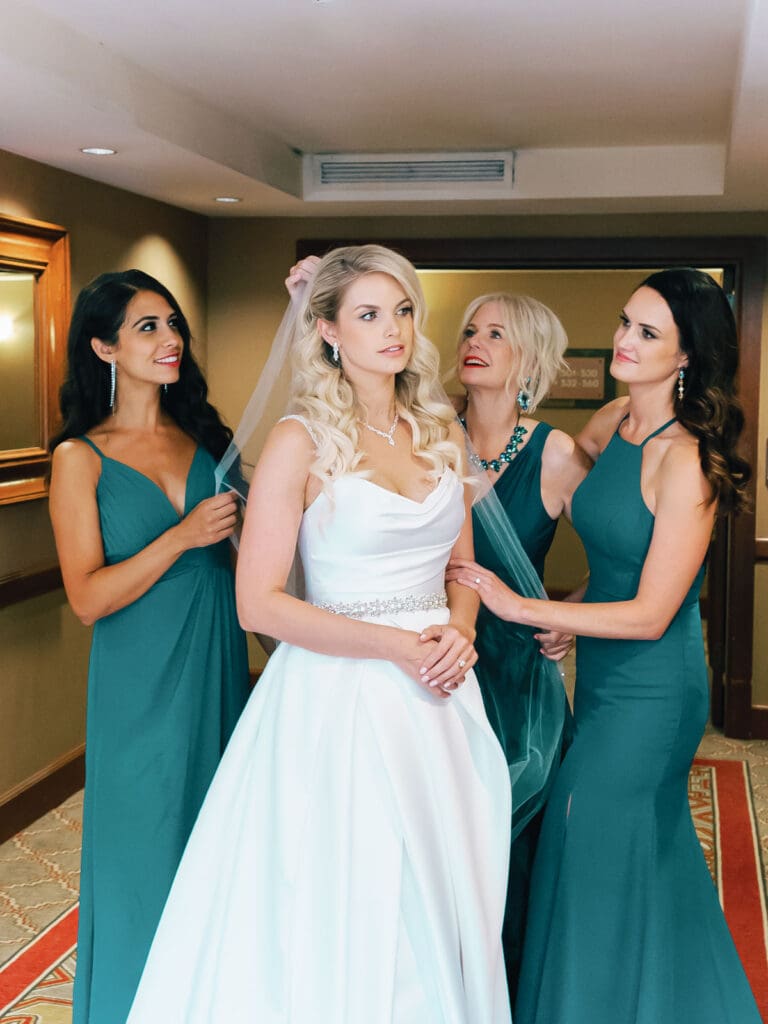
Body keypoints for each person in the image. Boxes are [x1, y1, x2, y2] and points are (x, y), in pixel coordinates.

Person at [126, 245, 513, 1022]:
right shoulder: (301, 441)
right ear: (329, 329)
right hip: (337, 702)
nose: (392, 329)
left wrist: (460, 632)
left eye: (402, 310)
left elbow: (461, 569)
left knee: (439, 892)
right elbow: (258, 605)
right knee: (352, 891)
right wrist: (397, 646)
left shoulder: (439, 432)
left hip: (437, 699)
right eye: (368, 314)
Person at [448, 268, 761, 1023]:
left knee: (585, 838)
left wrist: (526, 606)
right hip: (602, 681)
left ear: (686, 356)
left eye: (648, 333)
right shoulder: (614, 422)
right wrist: (576, 610)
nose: (623, 340)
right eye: (626, 322)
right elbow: (619, 559)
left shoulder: (684, 458)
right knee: (629, 855)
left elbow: (655, 610)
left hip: (655, 690)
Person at [48, 270, 250, 1024]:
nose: (171, 341)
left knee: (217, 844)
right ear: (103, 347)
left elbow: (248, 565)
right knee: (141, 854)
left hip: (217, 662)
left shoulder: (205, 437)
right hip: (138, 684)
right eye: (147, 328)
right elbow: (88, 597)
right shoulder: (79, 459)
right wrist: (181, 538)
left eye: (172, 325)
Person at [454, 292, 589, 998]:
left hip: (522, 679)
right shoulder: (419, 435)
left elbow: (626, 550)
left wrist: (574, 614)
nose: (474, 341)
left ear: (530, 359)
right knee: (447, 841)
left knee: (520, 854)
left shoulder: (556, 452)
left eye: (496, 334)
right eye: (470, 331)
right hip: (444, 664)